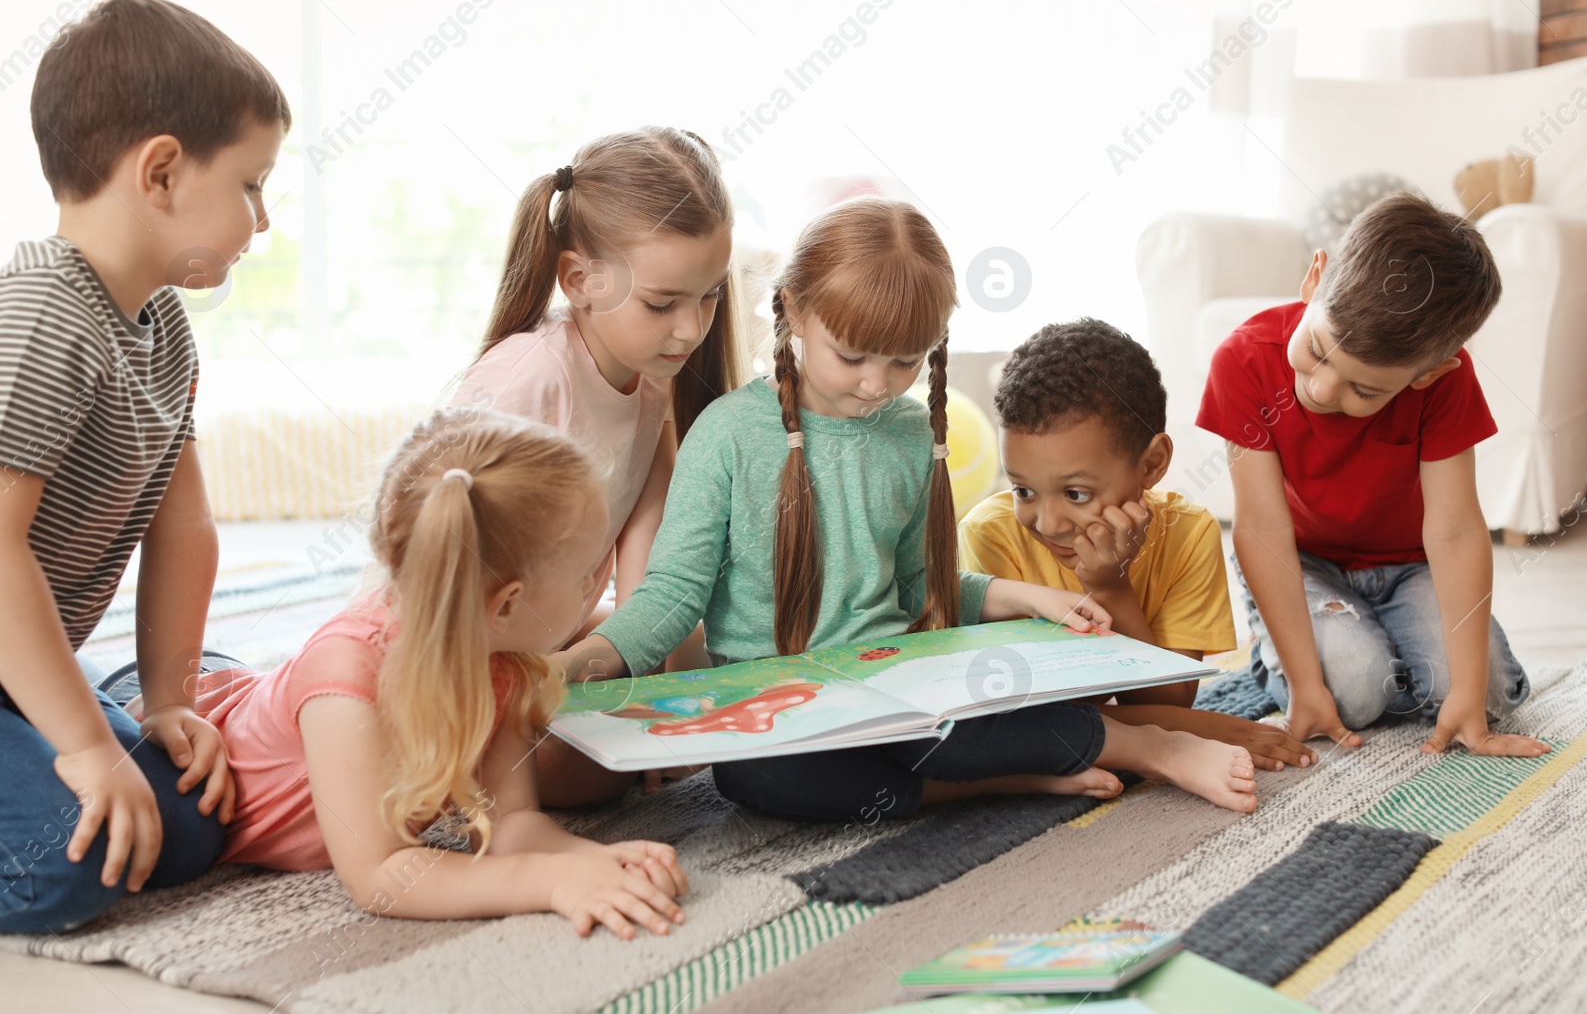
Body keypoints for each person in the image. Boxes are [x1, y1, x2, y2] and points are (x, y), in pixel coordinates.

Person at [560, 198, 1260, 822]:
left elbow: (923, 591)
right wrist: (599, 655)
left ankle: (1144, 742)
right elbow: (676, 588)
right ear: (795, 309)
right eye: (854, 355)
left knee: (975, 708)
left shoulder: (908, 434)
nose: (876, 383)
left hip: (900, 681)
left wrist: (1023, 597)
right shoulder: (726, 433)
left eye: (904, 362)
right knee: (756, 780)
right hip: (789, 706)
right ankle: (1009, 780)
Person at [142, 410, 689, 937]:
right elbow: (378, 875)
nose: (599, 586)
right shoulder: (347, 675)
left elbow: (512, 822)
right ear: (506, 605)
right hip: (175, 735)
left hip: (246, 688)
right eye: (587, 573)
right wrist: (548, 883)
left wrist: (597, 863)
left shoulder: (503, 663)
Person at [0, 0, 289, 933]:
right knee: (69, 869)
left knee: (190, 823)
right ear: (161, 171)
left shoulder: (162, 329)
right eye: (251, 184)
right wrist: (87, 749)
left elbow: (184, 524)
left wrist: (169, 700)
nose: (264, 217)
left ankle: (112, 706)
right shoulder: (44, 313)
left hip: (19, 669)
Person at [451, 127, 744, 803]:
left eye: (708, 296)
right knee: (593, 770)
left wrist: (674, 699)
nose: (691, 330)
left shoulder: (652, 384)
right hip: (446, 653)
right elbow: (443, 580)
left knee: (672, 699)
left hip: (533, 640)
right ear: (579, 280)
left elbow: (657, 577)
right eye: (662, 303)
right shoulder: (529, 379)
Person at [1198, 191, 1546, 757]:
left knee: (1486, 697)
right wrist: (1308, 687)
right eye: (1318, 350)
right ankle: (1294, 658)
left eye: (1365, 390)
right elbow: (1261, 525)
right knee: (1355, 694)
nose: (1323, 390)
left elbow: (1455, 530)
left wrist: (1465, 689)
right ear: (1316, 279)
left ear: (1430, 374)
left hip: (1412, 564)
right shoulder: (1243, 360)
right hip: (1304, 563)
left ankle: (1386, 646)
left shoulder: (1448, 386)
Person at [961, 319, 1316, 771]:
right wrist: (1195, 729)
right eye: (1023, 490)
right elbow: (1013, 718)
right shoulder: (989, 535)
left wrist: (1111, 588)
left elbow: (1167, 699)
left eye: (1076, 494)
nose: (1047, 523)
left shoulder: (1188, 535)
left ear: (1152, 464)